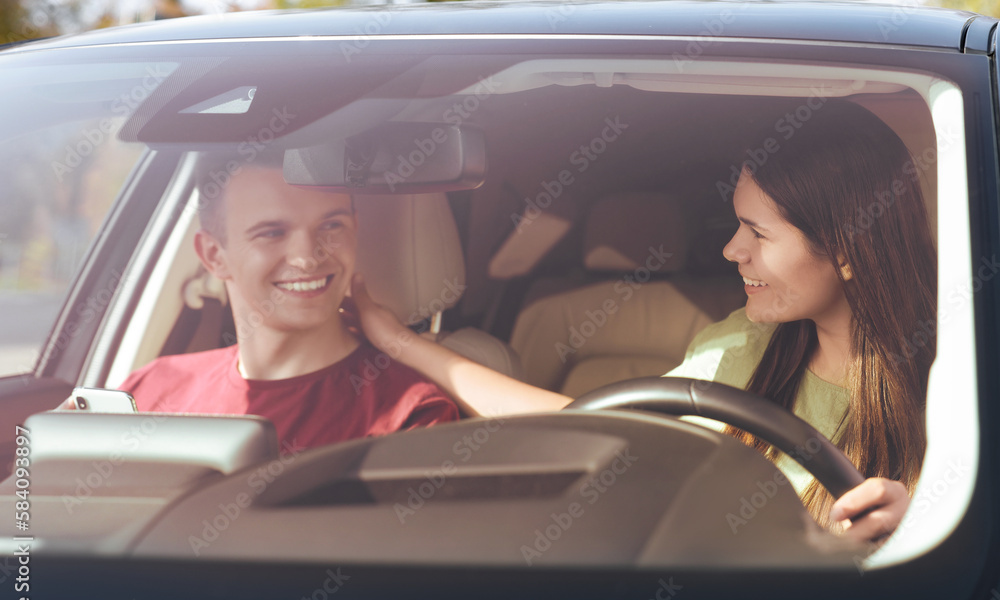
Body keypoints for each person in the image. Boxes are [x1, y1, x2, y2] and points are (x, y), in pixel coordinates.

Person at [348, 101, 936, 543]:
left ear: (847, 249)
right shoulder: (745, 346)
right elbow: (595, 431)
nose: (732, 251)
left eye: (758, 233)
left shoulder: (960, 374)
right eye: (737, 225)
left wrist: (929, 527)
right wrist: (398, 341)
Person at [116, 151, 458, 454]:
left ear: (355, 229)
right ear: (213, 255)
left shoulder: (409, 414)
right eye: (271, 232)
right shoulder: (148, 392)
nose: (307, 258)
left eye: (331, 225)